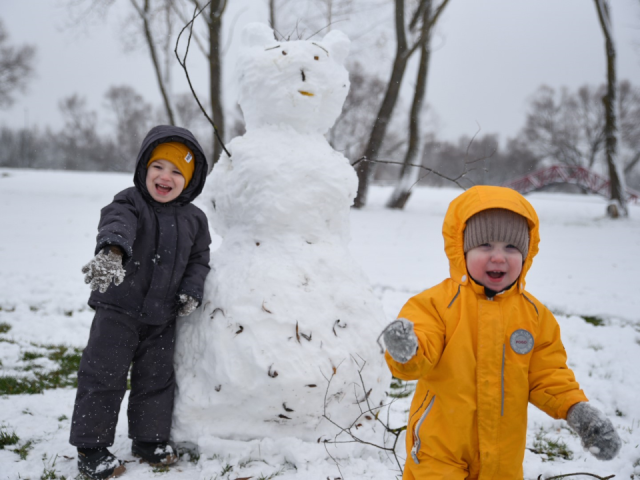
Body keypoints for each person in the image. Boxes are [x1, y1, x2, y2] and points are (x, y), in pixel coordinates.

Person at [381, 185, 621, 479]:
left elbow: (548, 375)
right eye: (485, 246)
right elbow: (421, 353)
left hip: (503, 455)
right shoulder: (436, 304)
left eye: (511, 248)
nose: (498, 258)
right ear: (462, 249)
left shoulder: (534, 316)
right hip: (440, 448)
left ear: (527, 253)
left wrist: (577, 411)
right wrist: (407, 349)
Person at [69, 125, 212, 479]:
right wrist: (112, 251)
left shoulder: (195, 219)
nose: (166, 177)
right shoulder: (129, 201)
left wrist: (192, 291)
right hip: (118, 310)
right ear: (144, 169)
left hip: (162, 316)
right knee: (103, 376)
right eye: (158, 167)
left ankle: (149, 439)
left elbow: (199, 259)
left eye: (177, 171)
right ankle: (91, 446)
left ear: (191, 180)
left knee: (156, 380)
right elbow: (117, 225)